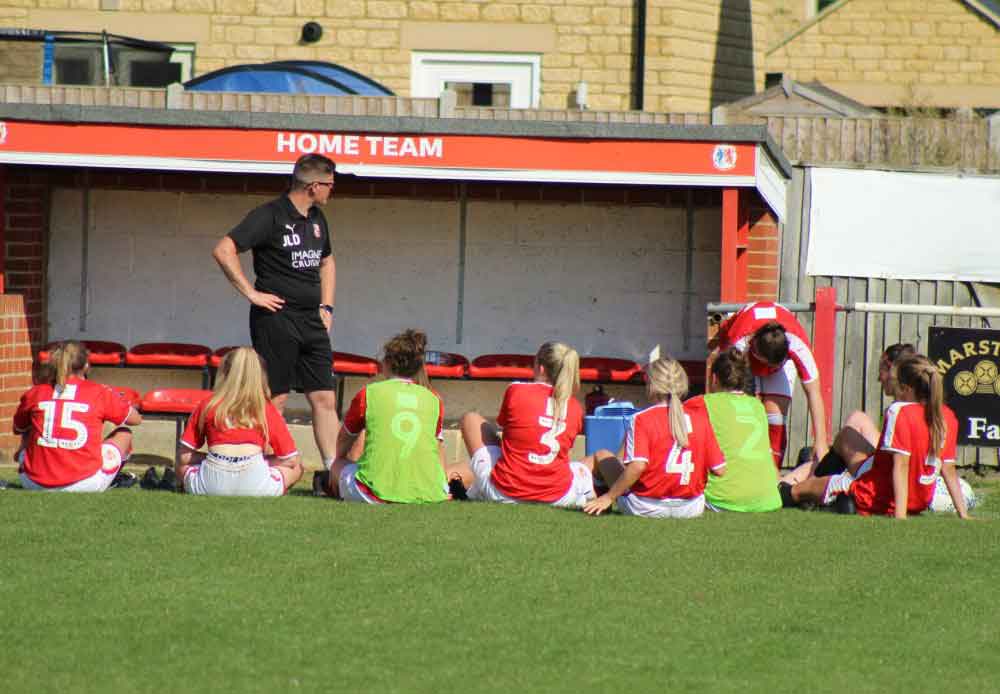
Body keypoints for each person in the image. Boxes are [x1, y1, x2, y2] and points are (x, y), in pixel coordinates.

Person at [212, 153, 339, 471]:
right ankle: (266, 470)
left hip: (312, 320)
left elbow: (327, 262)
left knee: (325, 398)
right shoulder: (269, 215)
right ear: (313, 186)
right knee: (276, 399)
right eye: (329, 185)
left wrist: (326, 305)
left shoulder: (317, 218)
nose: (331, 191)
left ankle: (334, 472)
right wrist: (252, 294)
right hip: (276, 320)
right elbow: (223, 250)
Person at [786, 354, 969, 518]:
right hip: (918, 500)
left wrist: (900, 515)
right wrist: (964, 514)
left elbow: (901, 466)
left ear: (906, 388)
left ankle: (802, 491)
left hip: (875, 494)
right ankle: (824, 490)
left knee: (799, 490)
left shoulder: (901, 412)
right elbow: (949, 469)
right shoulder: (947, 416)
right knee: (847, 435)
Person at [446, 341, 595, 508]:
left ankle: (466, 488)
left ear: (541, 368)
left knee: (471, 419)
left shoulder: (517, 390)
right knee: (591, 461)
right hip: (558, 496)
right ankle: (594, 494)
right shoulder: (575, 407)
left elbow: (504, 426)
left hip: (505, 491)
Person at [314, 329, 448, 504]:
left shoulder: (369, 393)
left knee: (338, 464)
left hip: (375, 493)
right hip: (430, 493)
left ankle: (329, 485)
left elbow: (344, 439)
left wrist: (336, 465)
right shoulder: (434, 399)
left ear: (388, 362)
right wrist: (442, 485)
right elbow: (438, 449)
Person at [583, 357, 726, 519]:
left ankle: (594, 499)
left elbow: (637, 466)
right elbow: (720, 469)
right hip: (691, 507)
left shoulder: (642, 419)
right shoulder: (701, 419)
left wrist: (609, 497)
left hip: (646, 506)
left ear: (651, 385)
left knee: (601, 455)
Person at [710, 300, 828, 469]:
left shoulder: (797, 344)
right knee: (747, 413)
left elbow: (813, 392)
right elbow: (720, 384)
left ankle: (772, 475)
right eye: (767, 364)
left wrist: (821, 441)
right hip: (746, 360)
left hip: (773, 358)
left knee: (776, 418)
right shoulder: (740, 342)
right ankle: (742, 468)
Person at [781, 342, 916, 485]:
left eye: (881, 369)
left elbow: (898, 461)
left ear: (890, 368)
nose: (878, 378)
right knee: (857, 419)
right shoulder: (918, 404)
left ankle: (797, 485)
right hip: (904, 472)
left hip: (887, 478)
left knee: (845, 438)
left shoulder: (898, 411)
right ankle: (799, 482)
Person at [13, 341, 141, 492]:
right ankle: (112, 479)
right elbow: (136, 419)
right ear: (86, 365)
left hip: (33, 482)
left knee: (29, 427)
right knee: (124, 433)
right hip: (85, 483)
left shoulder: (36, 392)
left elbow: (18, 428)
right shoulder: (99, 391)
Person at [176, 347, 303, 496]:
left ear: (225, 373)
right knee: (298, 467)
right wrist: (259, 460)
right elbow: (290, 461)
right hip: (255, 482)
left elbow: (183, 457)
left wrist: (217, 459)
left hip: (211, 481)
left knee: (179, 466)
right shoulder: (265, 408)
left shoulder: (208, 404)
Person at [690, 348, 782, 513]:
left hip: (722, 499)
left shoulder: (702, 403)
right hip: (768, 500)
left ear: (714, 378)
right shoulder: (757, 406)